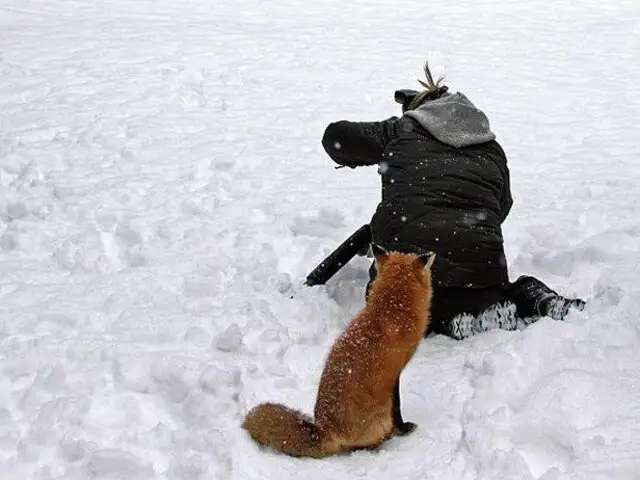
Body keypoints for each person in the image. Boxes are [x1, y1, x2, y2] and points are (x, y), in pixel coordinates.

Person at [320, 62, 585, 340]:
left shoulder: (403, 130)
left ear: (421, 111)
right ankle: (534, 301)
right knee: (513, 291)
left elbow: (335, 138)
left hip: (402, 292)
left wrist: (374, 148)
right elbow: (500, 208)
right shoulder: (492, 151)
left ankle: (443, 323)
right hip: (480, 284)